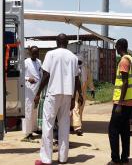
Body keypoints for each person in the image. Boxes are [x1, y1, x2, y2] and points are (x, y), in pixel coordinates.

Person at [35, 33, 82, 165]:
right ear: (67, 43)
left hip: (54, 93)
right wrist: (77, 96)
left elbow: (46, 75)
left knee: (48, 124)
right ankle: (63, 158)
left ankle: (46, 159)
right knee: (65, 125)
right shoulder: (73, 57)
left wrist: (38, 92)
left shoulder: (51, 54)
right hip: (67, 95)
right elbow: (76, 79)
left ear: (57, 42)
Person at [108, 38, 132, 165]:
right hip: (131, 101)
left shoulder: (123, 61)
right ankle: (125, 159)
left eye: (116, 46)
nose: (115, 48)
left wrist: (120, 103)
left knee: (113, 130)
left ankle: (116, 160)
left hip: (123, 103)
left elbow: (125, 82)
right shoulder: (131, 59)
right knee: (125, 130)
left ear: (120, 46)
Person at [71, 55, 95, 136]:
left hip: (83, 92)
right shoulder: (72, 69)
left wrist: (92, 89)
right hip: (74, 92)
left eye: (80, 62)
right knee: (75, 108)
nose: (79, 63)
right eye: (78, 62)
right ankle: (77, 127)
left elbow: (89, 79)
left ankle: (75, 124)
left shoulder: (85, 69)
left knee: (80, 109)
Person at [23, 46, 42, 141]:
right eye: (34, 53)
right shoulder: (25, 62)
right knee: (29, 110)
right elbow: (20, 74)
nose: (36, 54)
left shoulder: (39, 62)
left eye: (37, 53)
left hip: (37, 89)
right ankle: (28, 133)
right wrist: (27, 79)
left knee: (35, 109)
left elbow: (40, 74)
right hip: (29, 90)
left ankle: (34, 128)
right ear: (30, 53)